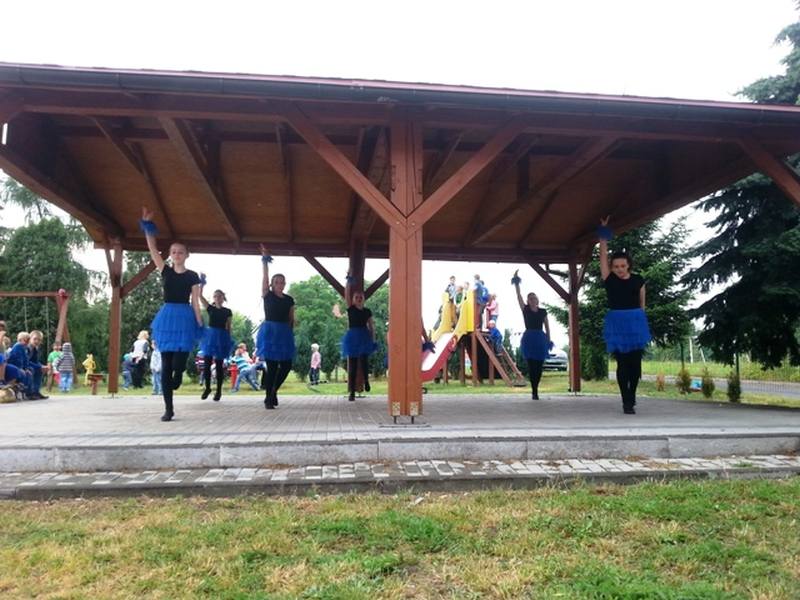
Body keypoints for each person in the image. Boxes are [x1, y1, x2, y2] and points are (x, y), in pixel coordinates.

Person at [141, 206, 203, 422]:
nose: (177, 254)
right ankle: (168, 409)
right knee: (166, 365)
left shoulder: (192, 276)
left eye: (180, 252)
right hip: (167, 318)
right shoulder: (165, 270)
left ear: (187, 255)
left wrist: (199, 322)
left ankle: (179, 373)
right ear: (170, 254)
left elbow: (195, 301)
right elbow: (152, 249)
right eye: (174, 251)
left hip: (185, 318)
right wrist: (148, 227)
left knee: (178, 364)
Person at [598, 217, 651, 414]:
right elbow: (603, 256)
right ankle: (626, 401)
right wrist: (603, 235)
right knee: (622, 364)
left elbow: (642, 304)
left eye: (622, 265)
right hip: (617, 323)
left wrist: (640, 322)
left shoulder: (638, 280)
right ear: (612, 268)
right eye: (616, 266)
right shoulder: (609, 279)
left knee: (635, 365)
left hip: (636, 323)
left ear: (628, 265)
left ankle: (632, 395)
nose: (619, 269)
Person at [256, 245, 296, 409]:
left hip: (284, 333)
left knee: (286, 366)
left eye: (282, 282)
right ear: (272, 284)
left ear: (285, 284)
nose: (280, 284)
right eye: (277, 282)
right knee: (272, 367)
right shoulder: (268, 295)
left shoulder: (289, 300)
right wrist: (265, 261)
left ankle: (273, 390)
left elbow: (291, 318)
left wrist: (290, 335)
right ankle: (268, 398)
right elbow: (265, 278)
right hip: (270, 332)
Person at [333, 276, 376, 402]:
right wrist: (348, 282)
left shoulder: (367, 311)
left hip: (364, 337)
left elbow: (371, 325)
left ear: (363, 299)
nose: (358, 299)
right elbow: (346, 294)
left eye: (360, 297)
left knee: (364, 361)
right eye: (356, 297)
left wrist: (373, 339)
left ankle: (366, 381)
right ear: (353, 300)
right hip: (352, 338)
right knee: (352, 365)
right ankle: (352, 392)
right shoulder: (351, 309)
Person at [513, 271, 552, 400]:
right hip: (529, 338)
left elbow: (547, 325)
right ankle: (534, 391)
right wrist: (516, 282)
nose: (533, 300)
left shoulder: (543, 311)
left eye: (534, 298)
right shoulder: (525, 310)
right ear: (528, 301)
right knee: (531, 366)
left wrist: (548, 339)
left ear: (537, 300)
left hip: (540, 338)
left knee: (539, 366)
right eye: (530, 298)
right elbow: (518, 296)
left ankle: (536, 387)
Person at [198, 281, 233, 402]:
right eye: (215, 296)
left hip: (221, 337)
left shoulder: (227, 311)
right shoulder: (210, 308)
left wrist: (228, 340)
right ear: (213, 298)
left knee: (219, 365)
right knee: (207, 364)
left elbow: (229, 326)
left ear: (223, 298)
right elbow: (200, 296)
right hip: (210, 337)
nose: (217, 298)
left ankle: (218, 391)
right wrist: (202, 285)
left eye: (220, 296)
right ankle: (207, 388)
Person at [7, 332, 34, 399]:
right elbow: (18, 359)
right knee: (22, 373)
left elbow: (26, 359)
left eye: (28, 340)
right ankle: (20, 390)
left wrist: (26, 368)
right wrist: (21, 368)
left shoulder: (24, 348)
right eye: (25, 340)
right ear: (20, 339)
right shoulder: (18, 346)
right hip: (14, 365)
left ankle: (28, 392)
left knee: (30, 371)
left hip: (21, 366)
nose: (27, 342)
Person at [27, 330, 48, 399]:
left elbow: (35, 361)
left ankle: (36, 391)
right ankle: (29, 392)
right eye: (35, 339)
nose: (37, 341)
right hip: (23, 365)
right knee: (31, 370)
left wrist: (42, 366)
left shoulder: (35, 349)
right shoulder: (27, 348)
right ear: (30, 339)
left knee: (39, 370)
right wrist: (39, 366)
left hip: (29, 365)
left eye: (39, 340)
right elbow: (26, 361)